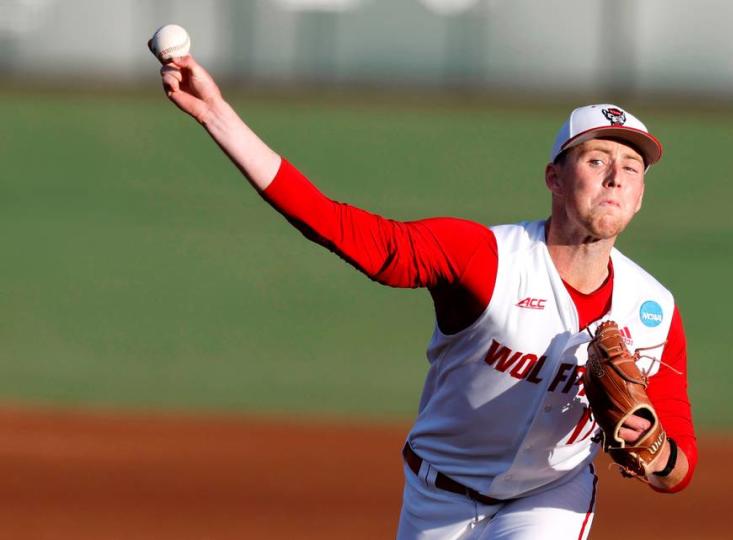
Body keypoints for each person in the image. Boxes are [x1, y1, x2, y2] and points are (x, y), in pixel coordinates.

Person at [154, 54, 697, 539]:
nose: (615, 178)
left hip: (549, 499)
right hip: (436, 499)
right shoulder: (483, 257)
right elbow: (333, 224)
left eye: (631, 168)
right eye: (597, 160)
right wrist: (217, 115)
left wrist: (653, 448)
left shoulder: (653, 309)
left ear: (641, 195)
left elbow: (679, 467)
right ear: (555, 178)